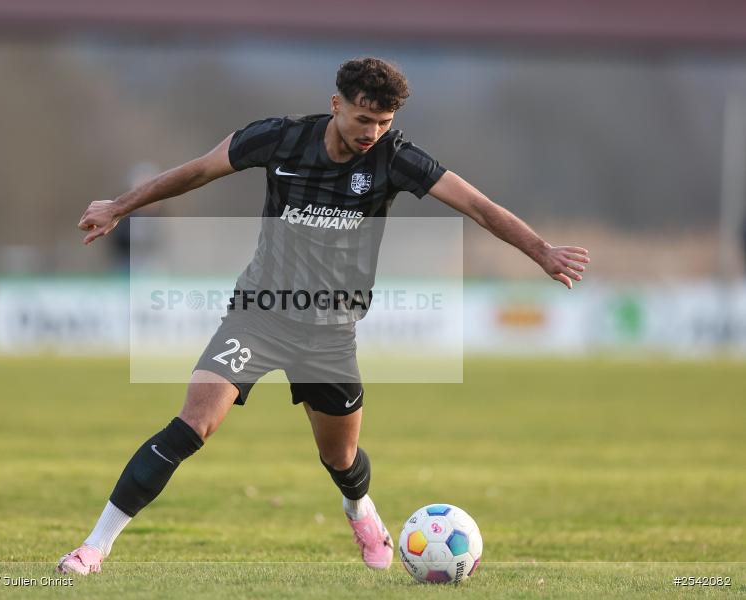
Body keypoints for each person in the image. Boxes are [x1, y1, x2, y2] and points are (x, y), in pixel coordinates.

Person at [57, 57, 590, 575]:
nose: (373, 133)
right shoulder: (278, 138)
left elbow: (478, 206)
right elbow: (196, 172)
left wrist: (542, 251)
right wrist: (119, 206)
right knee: (193, 423)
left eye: (384, 123)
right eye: (364, 120)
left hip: (331, 331)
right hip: (259, 312)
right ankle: (94, 548)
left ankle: (360, 511)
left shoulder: (395, 157)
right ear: (336, 105)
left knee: (341, 459)